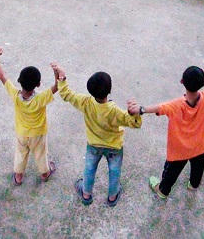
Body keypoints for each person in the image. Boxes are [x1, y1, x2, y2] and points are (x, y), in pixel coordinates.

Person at [127, 64, 204, 199]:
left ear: (182, 81)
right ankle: (193, 185)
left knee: (170, 174)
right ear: (203, 83)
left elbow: (157, 108)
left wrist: (140, 109)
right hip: (199, 146)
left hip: (179, 150)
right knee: (198, 169)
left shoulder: (175, 105)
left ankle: (162, 191)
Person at [54, 63, 142, 207]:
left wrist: (62, 78)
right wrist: (135, 114)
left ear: (91, 91)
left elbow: (66, 95)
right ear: (109, 91)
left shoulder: (85, 102)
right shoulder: (114, 111)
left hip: (93, 144)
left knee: (89, 168)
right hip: (114, 147)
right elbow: (134, 123)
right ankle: (112, 196)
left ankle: (86, 194)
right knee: (114, 171)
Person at [0, 49, 58, 186]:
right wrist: (56, 72)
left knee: (21, 153)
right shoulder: (40, 98)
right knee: (40, 153)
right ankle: (45, 173)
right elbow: (57, 87)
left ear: (19, 81)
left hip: (21, 133)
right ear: (38, 84)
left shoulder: (15, 95)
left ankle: (18, 176)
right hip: (38, 133)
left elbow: (2, 76)